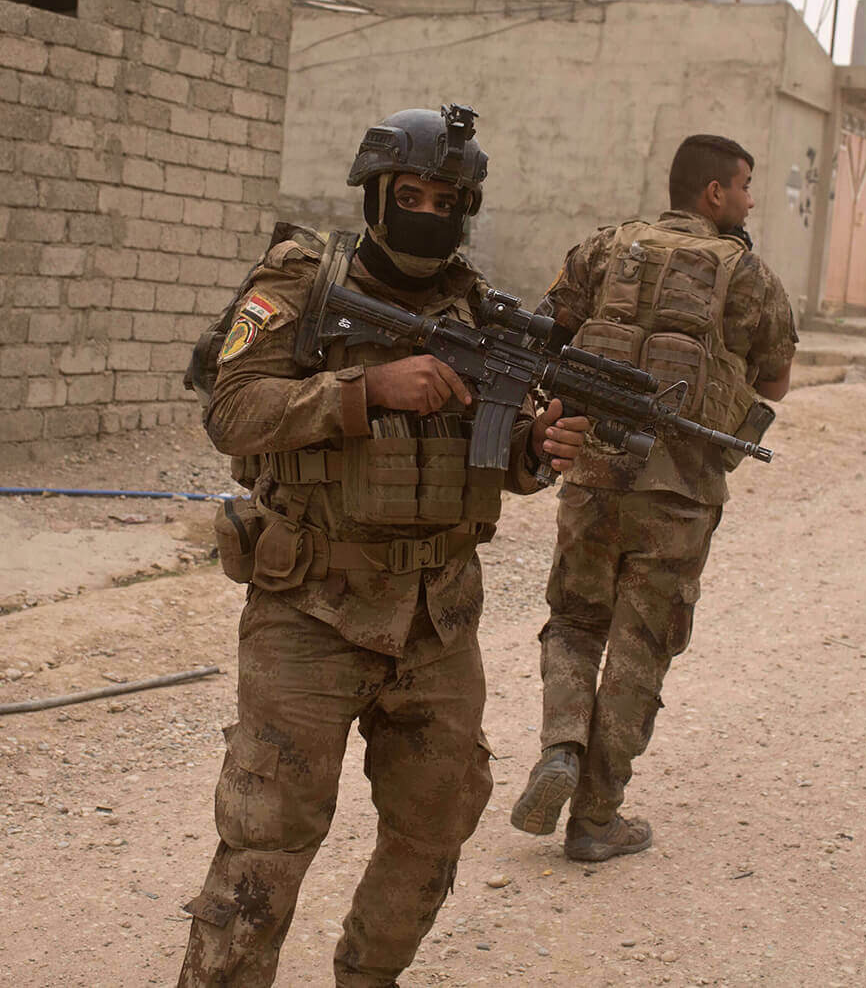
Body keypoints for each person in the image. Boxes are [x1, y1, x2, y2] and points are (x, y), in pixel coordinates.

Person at [178, 106, 591, 988]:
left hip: (438, 618)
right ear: (375, 193)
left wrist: (535, 449)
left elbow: (503, 459)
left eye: (446, 199)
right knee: (267, 837)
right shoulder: (297, 282)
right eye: (410, 194)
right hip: (311, 607)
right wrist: (364, 389)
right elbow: (231, 409)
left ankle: (368, 976)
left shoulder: (479, 311)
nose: (427, 211)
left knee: (436, 826)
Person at [509, 133, 796, 862]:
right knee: (641, 646)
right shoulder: (749, 274)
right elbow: (775, 381)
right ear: (714, 194)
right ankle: (597, 817)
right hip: (681, 489)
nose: (751, 199)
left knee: (574, 620)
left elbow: (546, 332)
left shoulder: (604, 249)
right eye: (745, 186)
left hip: (592, 472)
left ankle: (562, 745)